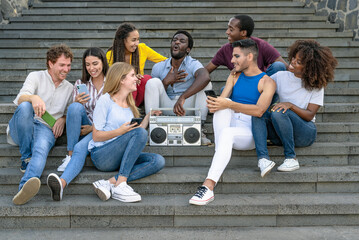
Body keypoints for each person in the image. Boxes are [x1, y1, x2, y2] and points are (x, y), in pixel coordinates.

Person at [189, 39, 276, 205]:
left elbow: (259, 110)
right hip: (230, 124)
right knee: (223, 108)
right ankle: (221, 152)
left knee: (227, 126)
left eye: (236, 56)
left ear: (249, 56)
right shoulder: (234, 76)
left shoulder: (267, 82)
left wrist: (229, 104)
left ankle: (208, 187)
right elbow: (223, 102)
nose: (231, 60)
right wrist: (215, 105)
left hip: (250, 133)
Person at [252, 40, 337, 175]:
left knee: (279, 111)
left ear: (309, 67)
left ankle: (291, 158)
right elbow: (257, 88)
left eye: (299, 62)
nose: (292, 62)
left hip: (305, 132)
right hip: (281, 132)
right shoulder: (280, 76)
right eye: (294, 58)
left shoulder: (316, 85)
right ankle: (263, 159)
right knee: (258, 113)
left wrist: (290, 105)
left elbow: (310, 115)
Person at [8, 44, 73, 205]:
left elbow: (69, 111)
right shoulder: (35, 76)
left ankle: (23, 189)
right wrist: (33, 98)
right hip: (24, 125)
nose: (66, 69)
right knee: (25, 106)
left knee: (41, 150)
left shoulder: (70, 88)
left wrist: (63, 119)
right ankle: (26, 157)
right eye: (62, 65)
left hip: (46, 128)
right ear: (51, 63)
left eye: (69, 65)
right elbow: (21, 98)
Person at [90, 62, 164, 203]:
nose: (136, 78)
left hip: (120, 154)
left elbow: (137, 134)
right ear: (121, 79)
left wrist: (148, 116)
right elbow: (96, 136)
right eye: (132, 75)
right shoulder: (105, 100)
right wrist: (120, 131)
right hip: (102, 155)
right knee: (140, 134)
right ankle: (121, 184)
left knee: (158, 161)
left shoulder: (130, 106)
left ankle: (110, 182)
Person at [46, 47, 109, 201]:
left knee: (81, 147)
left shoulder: (112, 82)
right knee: (74, 107)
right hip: (84, 126)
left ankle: (62, 183)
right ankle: (69, 155)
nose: (91, 68)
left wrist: (92, 129)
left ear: (103, 62)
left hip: (102, 130)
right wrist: (76, 103)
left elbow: (115, 115)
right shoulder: (81, 83)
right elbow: (74, 113)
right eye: (87, 65)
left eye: (95, 63)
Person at [145, 30, 212, 145]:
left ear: (188, 49)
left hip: (185, 107)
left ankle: (199, 128)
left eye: (182, 41)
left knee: (206, 85)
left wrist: (183, 97)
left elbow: (205, 77)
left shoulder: (193, 63)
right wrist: (166, 82)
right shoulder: (158, 67)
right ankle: (152, 128)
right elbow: (155, 93)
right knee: (152, 82)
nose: (176, 42)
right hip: (166, 106)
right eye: (174, 40)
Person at [206, 14, 287, 77]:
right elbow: (207, 69)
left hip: (262, 86)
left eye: (231, 29)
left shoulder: (261, 45)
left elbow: (284, 66)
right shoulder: (225, 50)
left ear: (243, 33)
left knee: (278, 66)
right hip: (242, 86)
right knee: (224, 89)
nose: (227, 32)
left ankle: (264, 96)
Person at [106, 23, 167, 107]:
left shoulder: (142, 49)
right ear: (123, 40)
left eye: (138, 39)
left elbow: (164, 61)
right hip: (121, 91)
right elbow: (110, 79)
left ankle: (133, 108)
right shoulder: (111, 55)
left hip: (138, 90)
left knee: (146, 79)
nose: (137, 43)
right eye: (133, 40)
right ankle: (126, 108)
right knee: (130, 81)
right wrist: (130, 77)